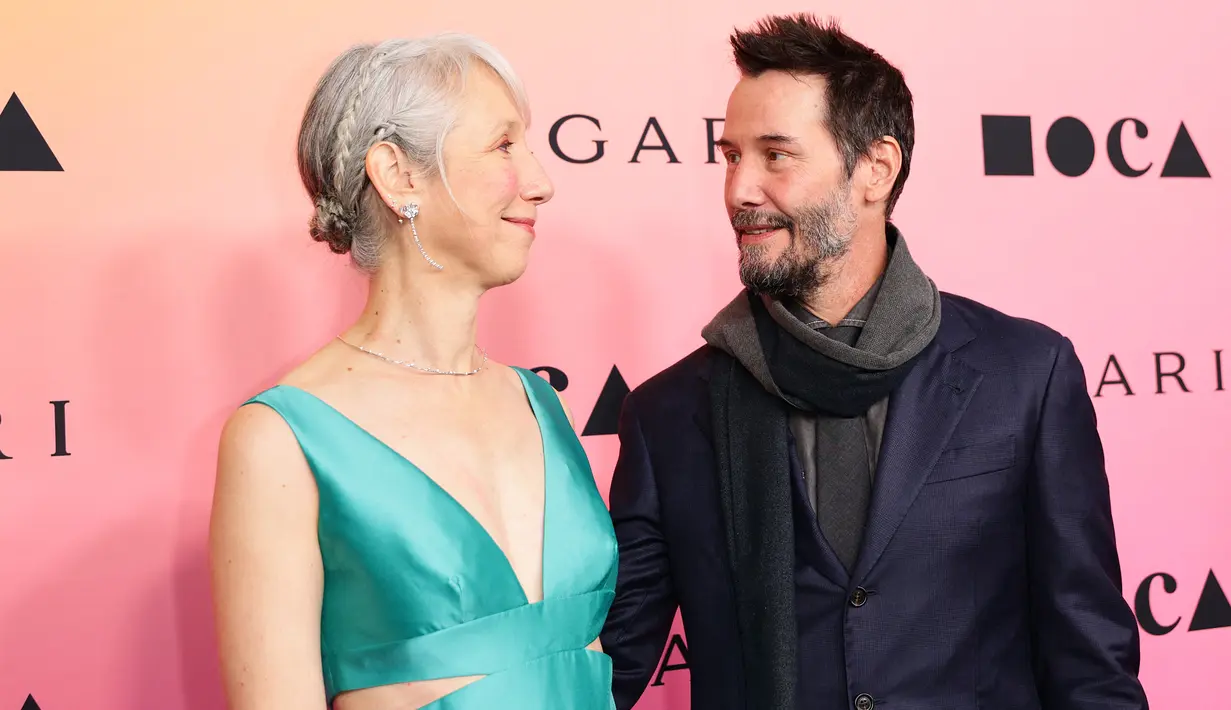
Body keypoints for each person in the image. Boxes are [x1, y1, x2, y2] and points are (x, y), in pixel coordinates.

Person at [600, 13, 1148, 710]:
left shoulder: (1024, 374)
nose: (738, 190)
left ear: (875, 169)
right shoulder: (667, 414)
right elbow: (606, 665)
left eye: (776, 154)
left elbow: (1088, 657)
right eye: (731, 154)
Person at [208, 34, 618, 710]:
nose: (541, 183)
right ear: (398, 176)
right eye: (503, 145)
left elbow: (582, 656)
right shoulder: (282, 440)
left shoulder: (542, 406)